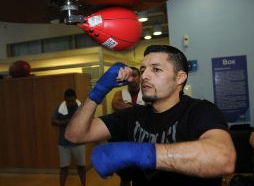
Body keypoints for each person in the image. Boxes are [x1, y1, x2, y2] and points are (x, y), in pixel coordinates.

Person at [65, 45, 236, 186]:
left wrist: (140, 153)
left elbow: (224, 158)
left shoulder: (200, 111)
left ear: (180, 78)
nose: (144, 76)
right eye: (143, 69)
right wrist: (98, 91)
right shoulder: (132, 115)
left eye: (156, 69)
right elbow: (74, 135)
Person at [111, 67, 144, 186]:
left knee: (142, 177)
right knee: (125, 178)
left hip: (142, 143)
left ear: (140, 78)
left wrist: (128, 107)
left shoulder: (147, 93)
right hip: (124, 142)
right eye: (129, 76)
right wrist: (139, 109)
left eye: (135, 75)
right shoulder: (119, 94)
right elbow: (116, 105)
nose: (132, 78)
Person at [52, 88, 86, 186]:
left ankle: (83, 185)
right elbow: (53, 121)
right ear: (65, 99)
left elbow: (89, 119)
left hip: (79, 142)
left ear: (75, 98)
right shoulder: (60, 107)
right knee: (64, 168)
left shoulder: (82, 107)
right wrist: (65, 122)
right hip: (64, 143)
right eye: (68, 101)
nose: (70, 103)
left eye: (72, 100)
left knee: (81, 167)